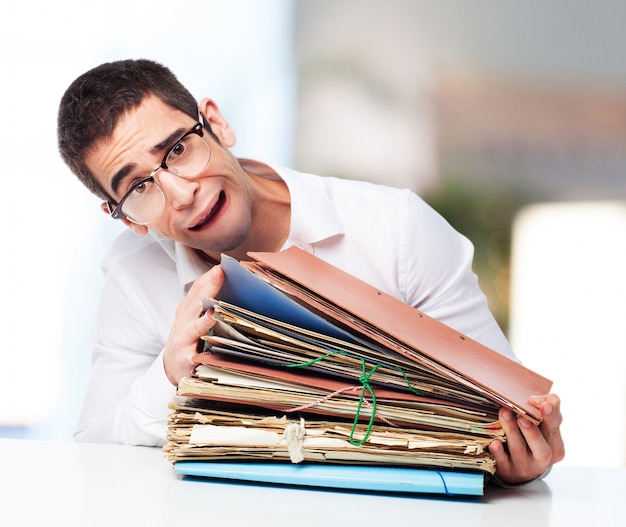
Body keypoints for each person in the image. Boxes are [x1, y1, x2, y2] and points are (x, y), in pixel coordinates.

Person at [57, 58, 563, 485]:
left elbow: (507, 410)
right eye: (139, 188)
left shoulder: (397, 230)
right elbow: (94, 450)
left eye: (178, 149)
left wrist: (518, 460)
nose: (182, 193)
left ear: (216, 123)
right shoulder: (133, 272)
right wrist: (168, 373)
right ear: (123, 218)